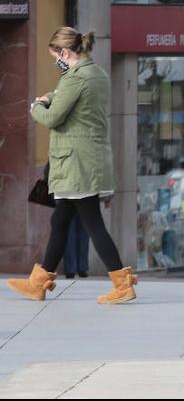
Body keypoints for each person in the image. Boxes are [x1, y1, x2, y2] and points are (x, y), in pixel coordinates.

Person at [7, 28, 136, 304]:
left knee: (92, 222)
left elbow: (53, 117)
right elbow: (69, 100)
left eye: (55, 55)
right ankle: (38, 282)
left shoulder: (74, 79)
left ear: (64, 53)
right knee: (60, 220)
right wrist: (51, 97)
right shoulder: (96, 74)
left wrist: (35, 107)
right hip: (88, 158)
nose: (56, 60)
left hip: (75, 162)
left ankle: (122, 283)